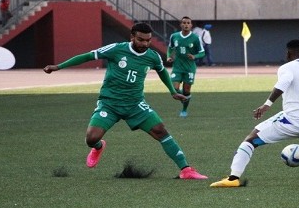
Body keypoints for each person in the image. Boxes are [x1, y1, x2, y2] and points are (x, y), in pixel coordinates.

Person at [42, 22, 207, 180]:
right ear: (132, 37)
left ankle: (186, 170)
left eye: (148, 40)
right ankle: (99, 147)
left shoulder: (152, 56)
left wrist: (172, 91)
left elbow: (162, 71)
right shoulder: (116, 49)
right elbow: (88, 56)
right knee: (91, 138)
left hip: (135, 104)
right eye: (141, 39)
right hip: (109, 103)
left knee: (160, 130)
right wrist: (59, 66)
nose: (145, 43)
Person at [210, 39, 299, 188]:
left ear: (287, 54)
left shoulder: (287, 67)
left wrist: (267, 104)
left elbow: (283, 83)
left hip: (293, 122)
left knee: (250, 140)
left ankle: (233, 178)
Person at [167, 16, 205, 118]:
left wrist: (194, 56)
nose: (186, 25)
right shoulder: (174, 36)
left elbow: (202, 52)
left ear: (191, 25)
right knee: (174, 89)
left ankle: (184, 110)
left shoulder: (195, 38)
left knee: (186, 91)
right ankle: (184, 98)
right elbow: (170, 48)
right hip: (177, 67)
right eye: (184, 23)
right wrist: (169, 56)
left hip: (189, 68)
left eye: (188, 23)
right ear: (181, 24)